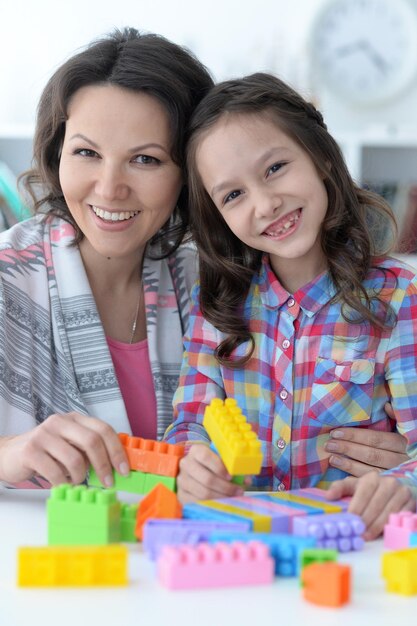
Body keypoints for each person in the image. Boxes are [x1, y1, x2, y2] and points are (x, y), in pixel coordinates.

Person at [165, 72, 417, 539]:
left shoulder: (399, 299)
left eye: (275, 168)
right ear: (218, 214)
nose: (265, 204)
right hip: (243, 542)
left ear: (320, 156)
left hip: (353, 548)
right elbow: (190, 424)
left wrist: (403, 488)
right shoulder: (217, 305)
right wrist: (190, 466)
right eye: (233, 195)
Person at [0, 27, 214, 489]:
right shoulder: (7, 276)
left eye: (146, 160)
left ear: (189, 173)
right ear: (58, 154)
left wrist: (402, 454)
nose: (109, 187)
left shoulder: (208, 287)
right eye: (87, 153)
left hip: (173, 553)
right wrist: (6, 454)